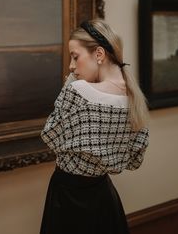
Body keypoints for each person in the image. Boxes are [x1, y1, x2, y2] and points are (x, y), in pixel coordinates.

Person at [40, 19, 149, 234]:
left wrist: (69, 83)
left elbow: (49, 136)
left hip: (68, 196)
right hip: (104, 196)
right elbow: (135, 160)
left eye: (75, 56)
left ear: (99, 54)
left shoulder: (78, 90)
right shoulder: (133, 96)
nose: (71, 66)